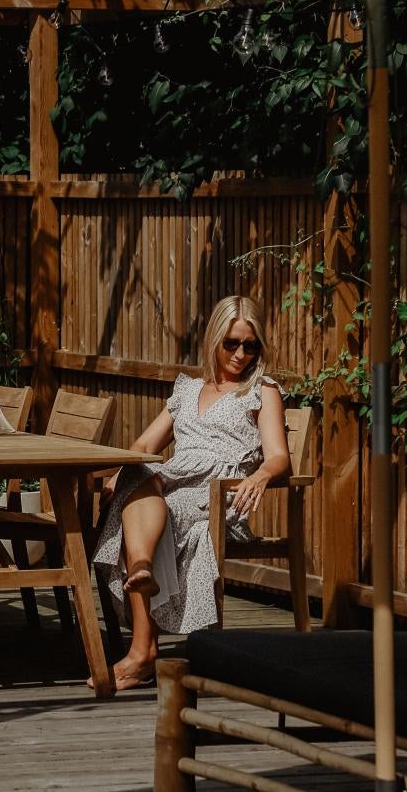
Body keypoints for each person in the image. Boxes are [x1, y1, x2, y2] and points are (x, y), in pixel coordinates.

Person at [91, 295, 289, 692]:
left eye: (250, 346)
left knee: (143, 505)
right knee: (136, 480)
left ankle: (141, 650)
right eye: (231, 343)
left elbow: (280, 456)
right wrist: (118, 472)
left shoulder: (261, 391)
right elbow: (145, 445)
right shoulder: (188, 390)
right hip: (172, 479)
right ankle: (143, 574)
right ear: (214, 339)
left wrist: (261, 476)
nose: (241, 354)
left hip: (219, 493)